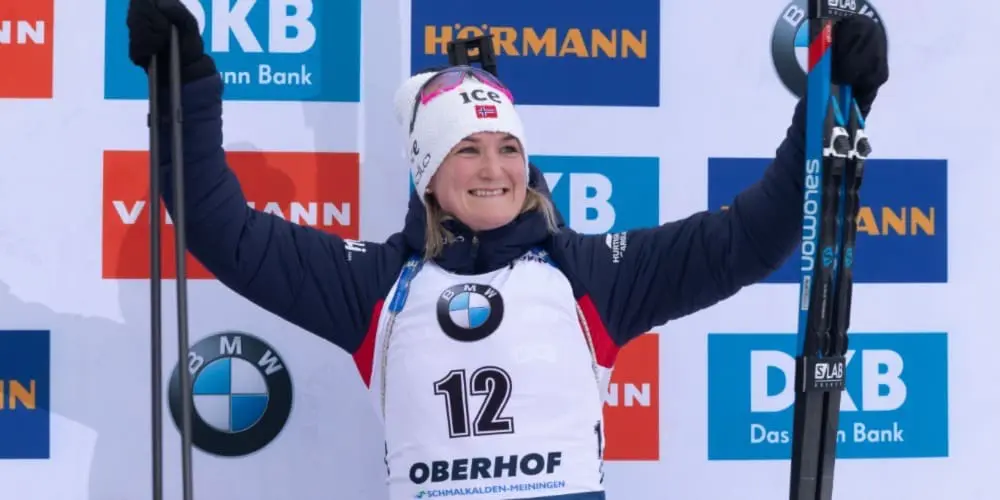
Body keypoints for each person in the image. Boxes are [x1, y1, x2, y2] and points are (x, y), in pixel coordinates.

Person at [126, 2, 889, 499]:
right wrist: (184, 82)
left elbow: (751, 236)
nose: (493, 169)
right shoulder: (377, 287)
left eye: (507, 147)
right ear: (427, 171)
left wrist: (831, 101)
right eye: (467, 148)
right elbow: (219, 228)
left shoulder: (588, 273)